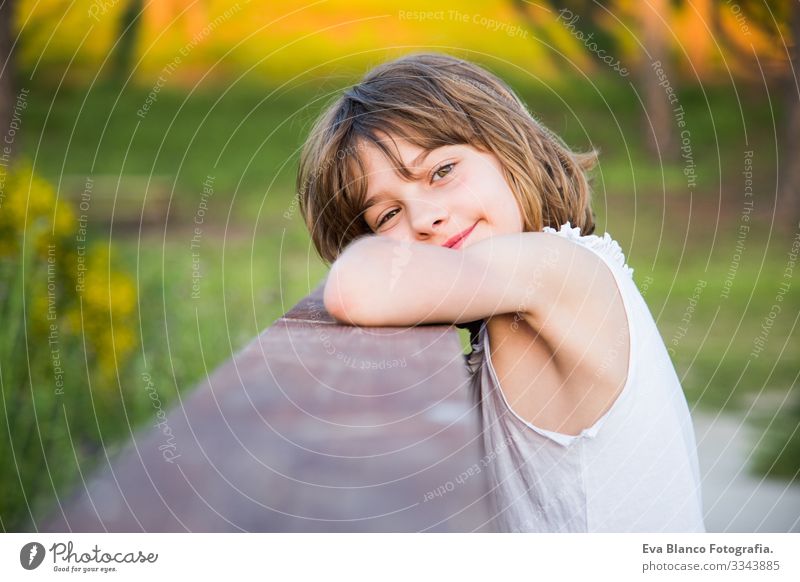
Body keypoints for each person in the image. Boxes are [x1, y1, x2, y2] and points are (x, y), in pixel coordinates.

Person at [296, 52, 705, 532]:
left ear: (508, 149)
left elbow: (355, 289)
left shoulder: (555, 269)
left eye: (441, 171)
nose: (425, 217)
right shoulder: (507, 304)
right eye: (386, 215)